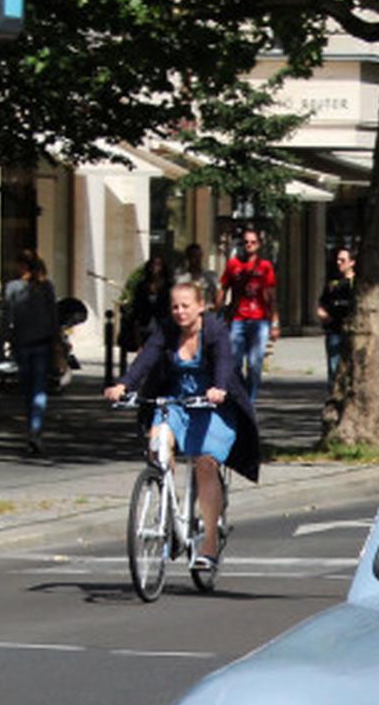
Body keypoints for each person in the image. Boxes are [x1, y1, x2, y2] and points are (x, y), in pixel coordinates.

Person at [107, 277, 262, 579]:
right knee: (156, 445)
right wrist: (123, 384)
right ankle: (167, 501)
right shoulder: (166, 330)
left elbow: (224, 364)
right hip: (177, 399)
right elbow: (147, 359)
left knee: (205, 462)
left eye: (185, 306)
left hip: (212, 402)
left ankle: (209, 544)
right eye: (175, 306)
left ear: (200, 307)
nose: (179, 312)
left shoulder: (214, 329)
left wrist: (218, 388)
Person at [1, 249, 60, 453]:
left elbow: (5, 318)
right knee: (39, 389)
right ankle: (36, 428)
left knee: (28, 390)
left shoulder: (12, 287)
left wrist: (2, 344)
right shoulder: (46, 287)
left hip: (22, 344)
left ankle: (32, 426)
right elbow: (54, 318)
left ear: (22, 266)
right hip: (42, 343)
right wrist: (57, 343)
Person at [220, 225, 277, 403]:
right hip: (238, 319)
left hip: (259, 320)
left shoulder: (265, 266)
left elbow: (271, 295)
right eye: (246, 242)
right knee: (234, 363)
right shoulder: (233, 265)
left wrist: (275, 322)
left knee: (254, 364)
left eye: (253, 242)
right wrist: (218, 310)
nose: (249, 245)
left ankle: (249, 400)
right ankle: (240, 396)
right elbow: (223, 288)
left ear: (259, 245)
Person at [316, 244, 357, 382]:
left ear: (352, 263)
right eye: (338, 260)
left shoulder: (356, 283)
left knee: (353, 368)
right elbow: (322, 303)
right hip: (334, 330)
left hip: (351, 330)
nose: (339, 263)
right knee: (334, 368)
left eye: (343, 260)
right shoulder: (333, 283)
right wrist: (323, 314)